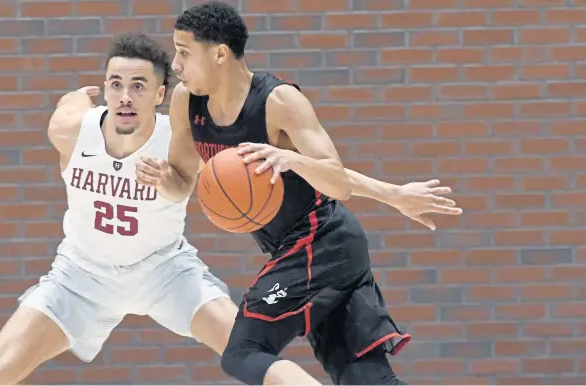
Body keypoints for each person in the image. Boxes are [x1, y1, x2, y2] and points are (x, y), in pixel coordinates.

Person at [135, 1, 462, 385]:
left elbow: (336, 181)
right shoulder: (187, 104)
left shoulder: (279, 102)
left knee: (243, 352)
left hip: (321, 240)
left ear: (220, 53)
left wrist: (289, 159)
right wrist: (162, 179)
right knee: (364, 379)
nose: (175, 64)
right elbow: (181, 183)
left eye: (184, 52)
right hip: (309, 251)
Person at [0, 32, 239, 385]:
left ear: (160, 95)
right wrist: (74, 98)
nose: (125, 96)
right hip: (82, 274)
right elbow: (68, 108)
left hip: (163, 270)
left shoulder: (178, 138)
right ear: (104, 89)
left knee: (248, 350)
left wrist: (173, 180)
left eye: (138, 86)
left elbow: (201, 185)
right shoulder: (71, 131)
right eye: (115, 84)